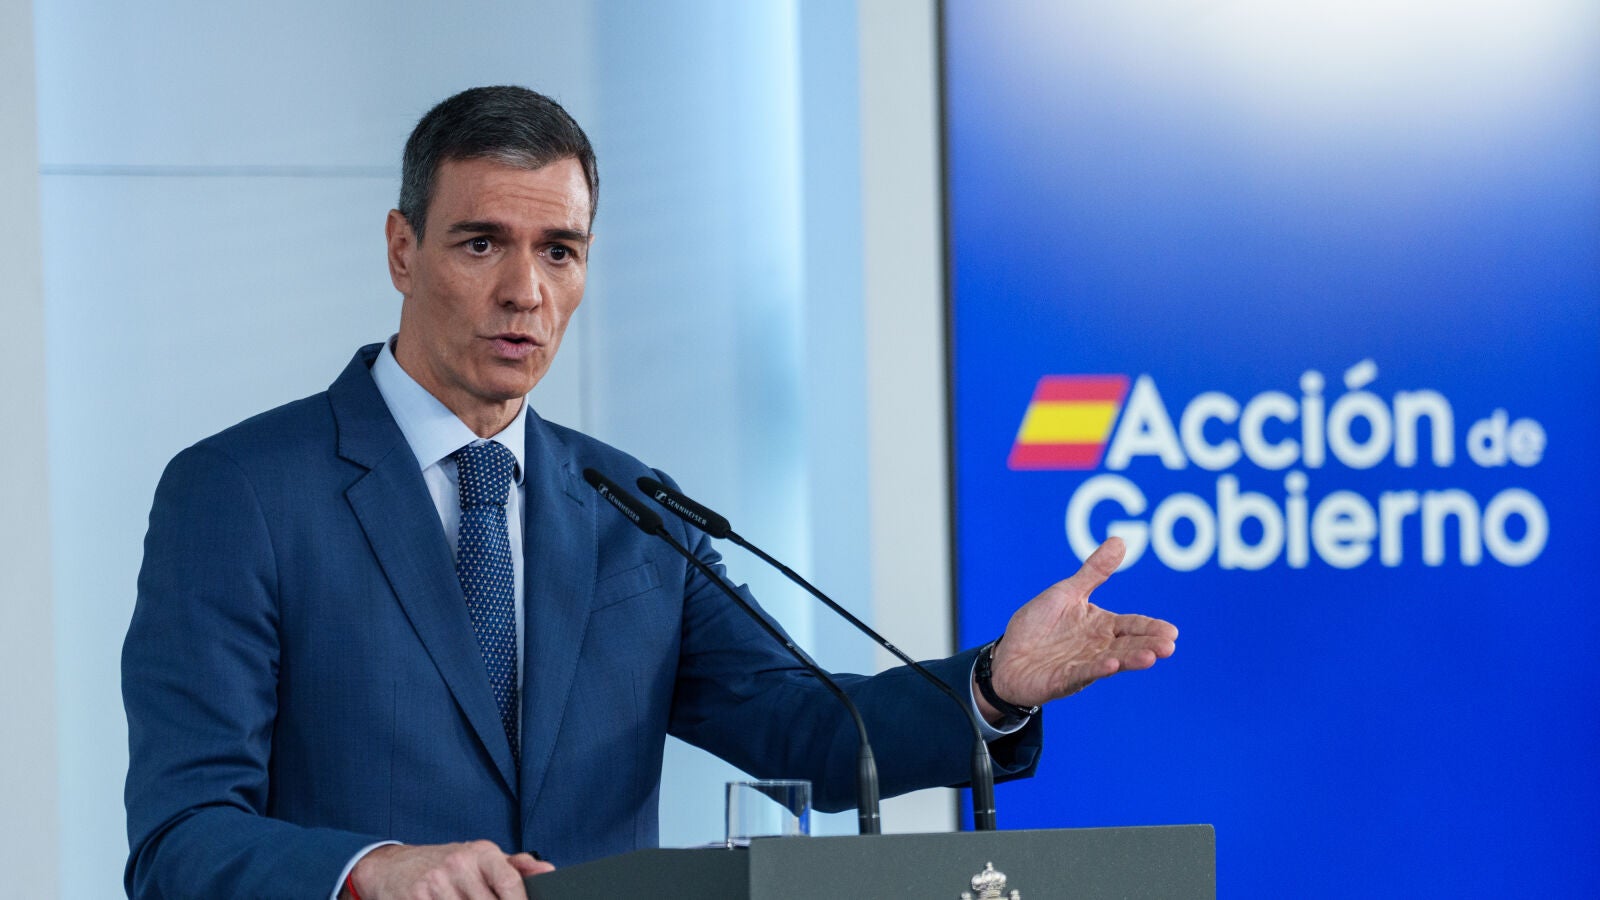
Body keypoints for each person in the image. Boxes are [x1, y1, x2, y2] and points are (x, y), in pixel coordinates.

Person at [121, 86, 1178, 900]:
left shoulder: (631, 504)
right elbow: (180, 836)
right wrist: (372, 869)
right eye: (482, 243)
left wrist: (992, 685)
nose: (524, 291)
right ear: (403, 250)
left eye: (560, 251)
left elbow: (807, 727)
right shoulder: (241, 495)